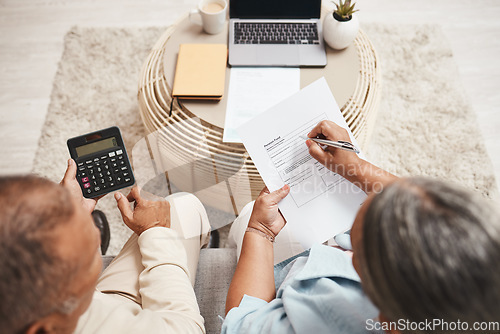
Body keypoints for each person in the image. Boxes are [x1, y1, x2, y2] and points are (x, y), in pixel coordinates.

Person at [223, 120, 500, 333]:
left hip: (289, 279)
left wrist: (260, 231)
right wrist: (356, 167)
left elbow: (242, 324)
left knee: (246, 215)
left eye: (360, 246)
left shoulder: (329, 317)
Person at [0, 158, 210, 334]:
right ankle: (199, 241)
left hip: (100, 302)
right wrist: (156, 230)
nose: (97, 236)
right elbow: (186, 328)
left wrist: (68, 215)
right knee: (183, 207)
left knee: (180, 207)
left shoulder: (36, 309)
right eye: (90, 255)